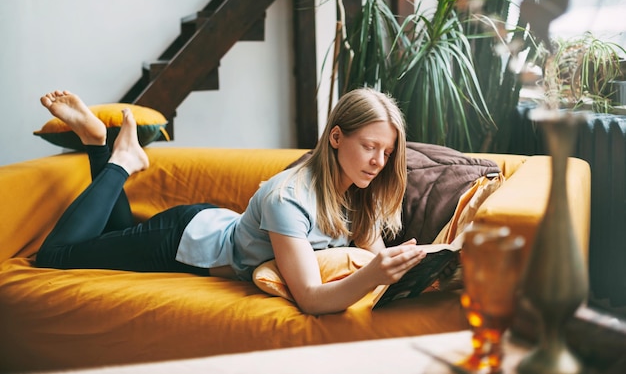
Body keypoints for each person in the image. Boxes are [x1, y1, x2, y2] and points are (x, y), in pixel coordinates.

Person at [35, 88, 427, 315]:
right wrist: (374, 274)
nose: (379, 161)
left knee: (117, 233)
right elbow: (309, 298)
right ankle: (120, 161)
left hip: (214, 224)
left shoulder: (362, 192)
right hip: (179, 242)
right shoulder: (288, 198)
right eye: (370, 147)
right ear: (337, 138)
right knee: (54, 257)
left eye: (388, 152)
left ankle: (97, 144)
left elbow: (370, 255)